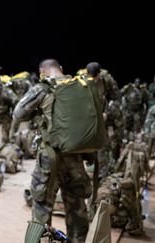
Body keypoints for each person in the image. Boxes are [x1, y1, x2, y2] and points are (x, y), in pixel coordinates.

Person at [16, 59, 90, 243]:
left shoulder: (43, 88)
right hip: (75, 157)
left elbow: (18, 113)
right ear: (62, 70)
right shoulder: (79, 86)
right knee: (77, 207)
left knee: (42, 207)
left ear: (43, 71)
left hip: (50, 158)